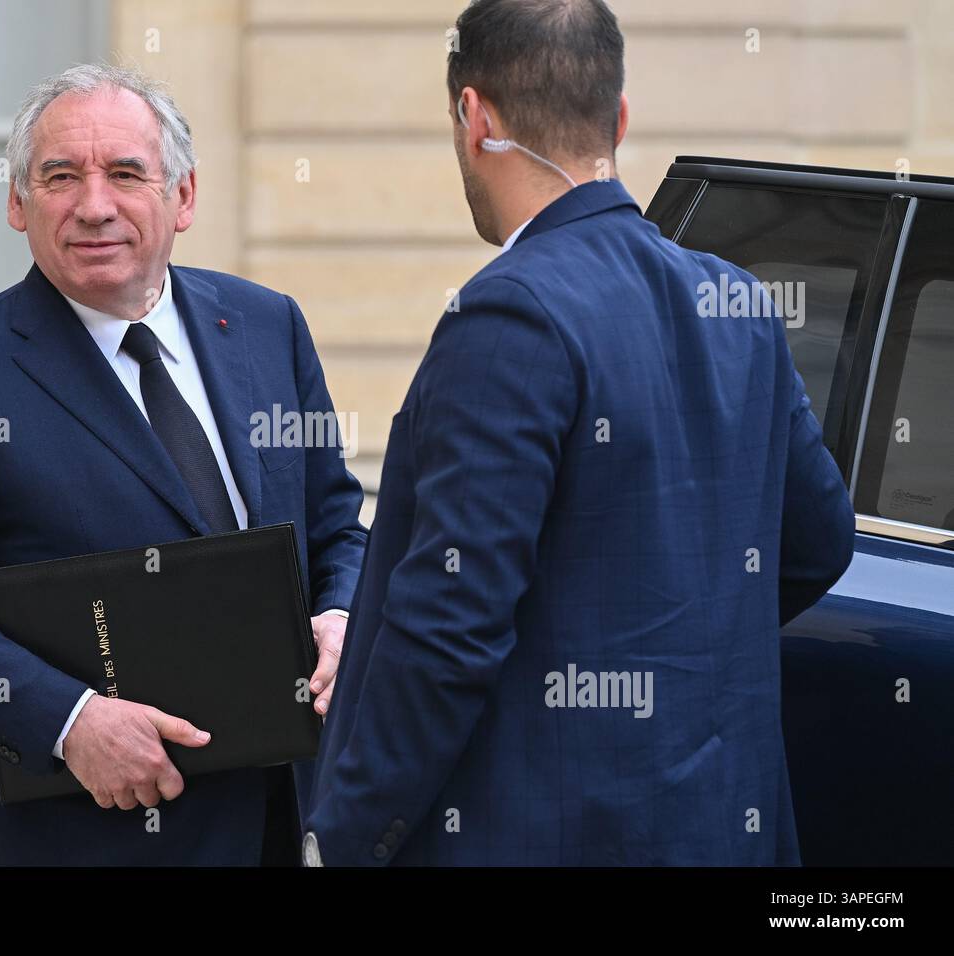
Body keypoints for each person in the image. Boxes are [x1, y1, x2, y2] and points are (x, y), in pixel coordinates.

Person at [303, 0, 854, 866]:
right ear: (620, 119)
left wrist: (337, 840)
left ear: (473, 116)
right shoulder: (737, 302)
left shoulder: (507, 316)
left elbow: (449, 627)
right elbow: (820, 542)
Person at [0, 63, 366, 866]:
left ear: (183, 198)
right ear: (17, 203)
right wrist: (68, 719)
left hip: (288, 818)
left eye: (126, 173)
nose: (94, 205)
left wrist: (342, 615)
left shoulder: (267, 327)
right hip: (89, 832)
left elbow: (338, 528)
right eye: (60, 177)